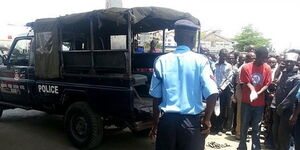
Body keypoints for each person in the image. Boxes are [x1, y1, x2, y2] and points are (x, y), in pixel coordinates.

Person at [148, 19, 218, 150]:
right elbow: (213, 93)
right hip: (191, 124)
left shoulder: (161, 61)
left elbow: (156, 98)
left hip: (167, 123)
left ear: (175, 38)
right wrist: (207, 120)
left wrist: (155, 124)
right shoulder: (201, 61)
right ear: (193, 39)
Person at [238, 47, 272, 150]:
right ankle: (242, 146)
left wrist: (258, 92)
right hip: (246, 102)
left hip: (259, 104)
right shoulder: (246, 67)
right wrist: (252, 90)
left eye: (266, 58)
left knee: (256, 127)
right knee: (244, 125)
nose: (264, 60)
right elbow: (246, 81)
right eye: (262, 57)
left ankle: (256, 147)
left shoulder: (267, 68)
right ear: (257, 56)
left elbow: (267, 84)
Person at [272, 52, 299, 150]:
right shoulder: (283, 74)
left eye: (291, 62)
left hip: (286, 110)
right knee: (275, 132)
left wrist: (281, 107)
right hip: (276, 107)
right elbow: (277, 88)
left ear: (295, 63)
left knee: (283, 134)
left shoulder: (297, 78)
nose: (289, 64)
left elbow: (291, 96)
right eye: (287, 62)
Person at [234, 52, 255, 139]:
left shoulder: (252, 67)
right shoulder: (243, 67)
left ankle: (244, 132)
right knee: (240, 113)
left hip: (249, 92)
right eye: (252, 58)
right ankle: (239, 133)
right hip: (242, 91)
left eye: (255, 58)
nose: (254, 60)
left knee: (247, 114)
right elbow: (242, 83)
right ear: (247, 59)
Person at [214, 49, 233, 133]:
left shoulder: (228, 66)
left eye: (225, 55)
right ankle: (213, 126)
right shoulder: (213, 64)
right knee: (213, 108)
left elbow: (228, 79)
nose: (224, 57)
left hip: (223, 91)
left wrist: (221, 88)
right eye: (222, 55)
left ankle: (219, 128)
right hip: (213, 89)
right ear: (219, 54)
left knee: (222, 109)